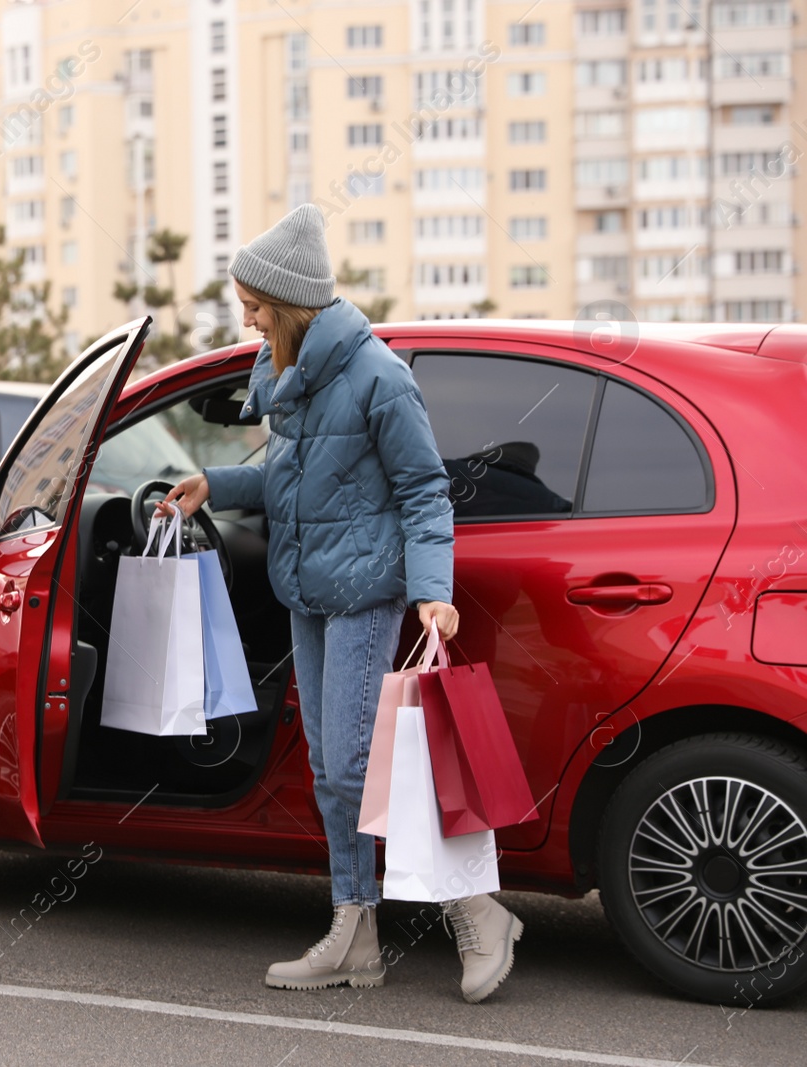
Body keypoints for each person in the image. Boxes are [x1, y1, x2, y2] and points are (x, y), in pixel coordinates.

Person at [160, 204, 522, 1004]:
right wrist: (215, 485)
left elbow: (426, 490)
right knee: (333, 768)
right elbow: (292, 485)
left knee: (360, 764)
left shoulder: (377, 376)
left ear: (289, 304)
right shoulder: (287, 378)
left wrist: (432, 590)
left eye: (254, 305)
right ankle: (355, 930)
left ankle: (476, 907)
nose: (245, 318)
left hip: (364, 591)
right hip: (308, 591)